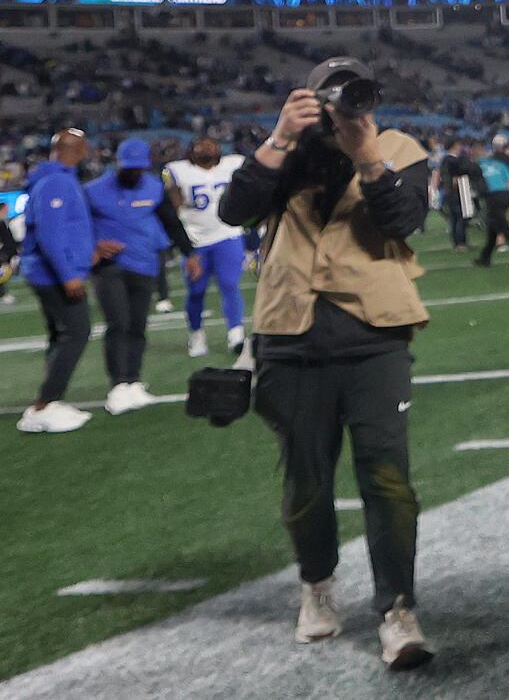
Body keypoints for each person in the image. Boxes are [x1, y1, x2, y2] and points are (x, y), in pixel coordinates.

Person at [218, 57, 436, 671]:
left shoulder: (397, 147)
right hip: (289, 333)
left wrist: (367, 156)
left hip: (375, 334)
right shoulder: (283, 151)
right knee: (306, 479)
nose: (342, 104)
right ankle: (316, 583)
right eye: (328, 94)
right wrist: (282, 137)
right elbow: (235, 210)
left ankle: (398, 609)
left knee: (388, 477)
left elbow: (405, 220)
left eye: (353, 93)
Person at [86, 138, 194, 414]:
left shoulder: (154, 188)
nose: (134, 173)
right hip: (108, 267)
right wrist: (93, 247)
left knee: (137, 324)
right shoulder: (93, 191)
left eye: (139, 168)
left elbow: (171, 222)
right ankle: (117, 384)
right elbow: (78, 226)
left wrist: (190, 253)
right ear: (118, 163)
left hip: (144, 263)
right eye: (129, 167)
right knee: (118, 322)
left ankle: (132, 380)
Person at [15, 129, 95, 434]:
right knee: (77, 331)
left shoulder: (55, 179)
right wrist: (69, 274)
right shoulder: (56, 182)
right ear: (75, 148)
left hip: (50, 272)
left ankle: (50, 401)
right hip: (53, 275)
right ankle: (45, 403)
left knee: (61, 335)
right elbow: (51, 235)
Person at [164, 135, 250, 357]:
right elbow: (172, 199)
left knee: (230, 284)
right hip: (195, 240)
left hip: (228, 234)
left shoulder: (235, 163)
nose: (206, 147)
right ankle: (196, 335)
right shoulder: (175, 170)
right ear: (191, 150)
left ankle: (236, 334)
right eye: (201, 145)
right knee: (196, 291)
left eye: (212, 144)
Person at [474, 140, 509, 267]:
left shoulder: (478, 167)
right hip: (504, 195)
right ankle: (484, 258)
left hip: (492, 196)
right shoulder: (500, 165)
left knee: (503, 227)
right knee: (493, 228)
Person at [438, 140, 481, 251]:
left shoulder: (445, 160)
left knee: (455, 218)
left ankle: (459, 242)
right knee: (461, 217)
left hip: (450, 192)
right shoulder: (451, 160)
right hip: (457, 192)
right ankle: (461, 242)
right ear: (455, 145)